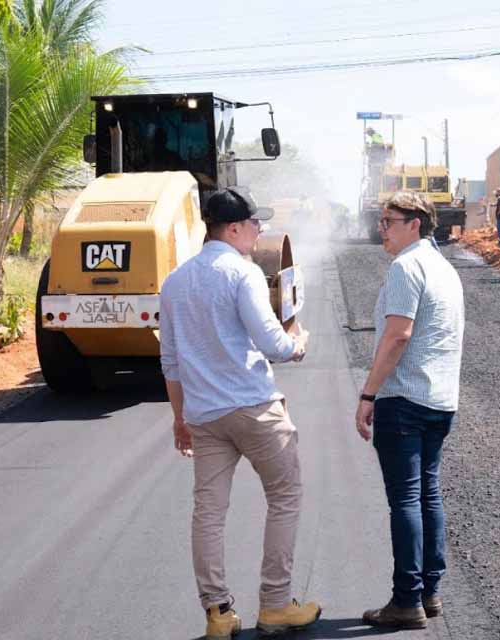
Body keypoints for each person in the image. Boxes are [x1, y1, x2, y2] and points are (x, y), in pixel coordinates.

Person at [160, 186, 322, 640]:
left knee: (208, 513)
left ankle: (217, 613)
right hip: (253, 407)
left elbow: (170, 361)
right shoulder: (243, 274)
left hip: (204, 416)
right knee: (285, 495)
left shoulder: (174, 282)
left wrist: (180, 418)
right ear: (233, 228)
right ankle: (274, 605)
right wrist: (299, 343)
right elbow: (273, 343)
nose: (259, 231)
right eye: (255, 224)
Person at [355, 191, 465, 630]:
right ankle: (430, 592)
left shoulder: (407, 267)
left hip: (404, 400)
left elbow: (398, 336)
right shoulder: (444, 268)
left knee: (405, 499)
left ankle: (406, 600)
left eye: (389, 221)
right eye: (381, 221)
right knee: (427, 495)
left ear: (415, 223)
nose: (381, 229)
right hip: (440, 400)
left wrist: (368, 394)